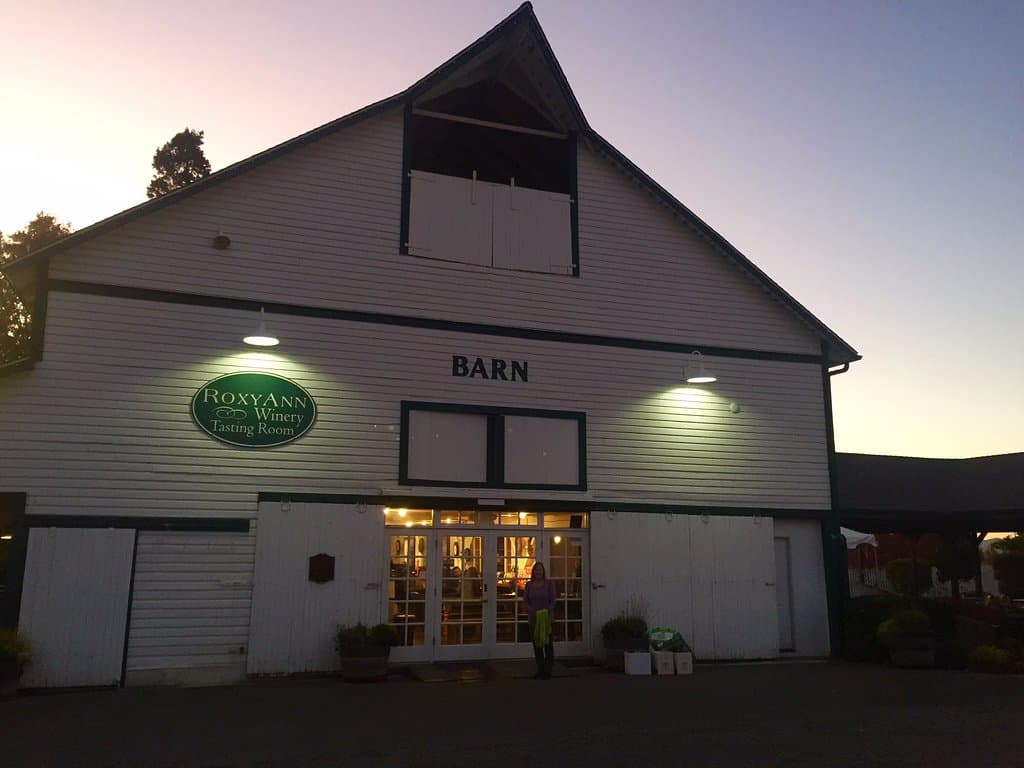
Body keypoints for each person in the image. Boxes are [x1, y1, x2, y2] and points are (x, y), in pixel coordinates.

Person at [523, 562, 557, 679]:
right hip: (534, 618)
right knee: (537, 645)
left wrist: (547, 611)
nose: (538, 572)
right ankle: (540, 669)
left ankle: (548, 670)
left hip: (546, 618)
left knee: (548, 644)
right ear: (533, 572)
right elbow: (526, 601)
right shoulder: (529, 585)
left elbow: (553, 600)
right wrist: (532, 611)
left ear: (543, 572)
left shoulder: (548, 584)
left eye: (540, 570)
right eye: (536, 570)